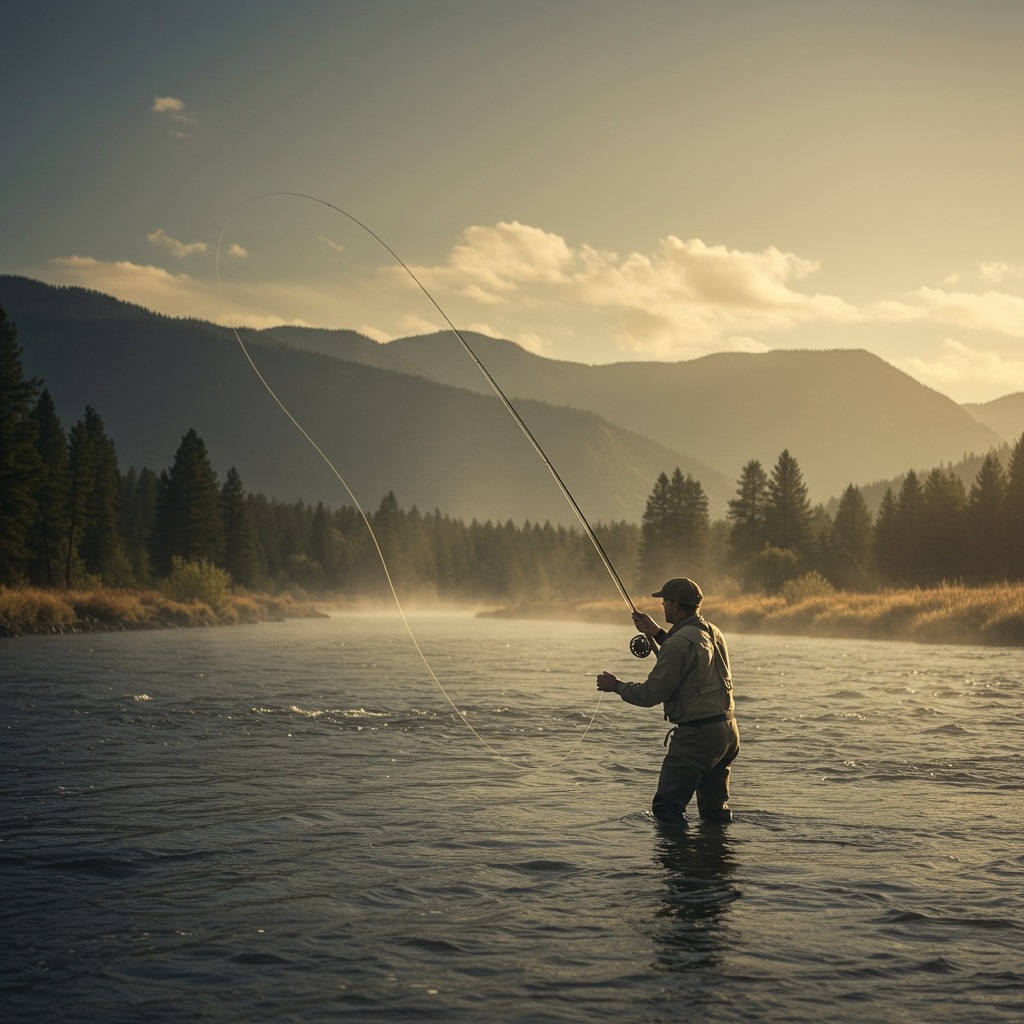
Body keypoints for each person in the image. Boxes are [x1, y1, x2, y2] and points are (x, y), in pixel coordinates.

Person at [597, 577, 739, 825]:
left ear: (675, 606)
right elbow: (690, 654)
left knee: (666, 809)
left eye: (664, 602)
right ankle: (717, 861)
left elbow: (651, 694)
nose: (662, 606)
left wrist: (616, 686)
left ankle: (676, 863)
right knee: (715, 813)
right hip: (726, 733)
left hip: (697, 738)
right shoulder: (713, 632)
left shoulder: (677, 643)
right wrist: (656, 633)